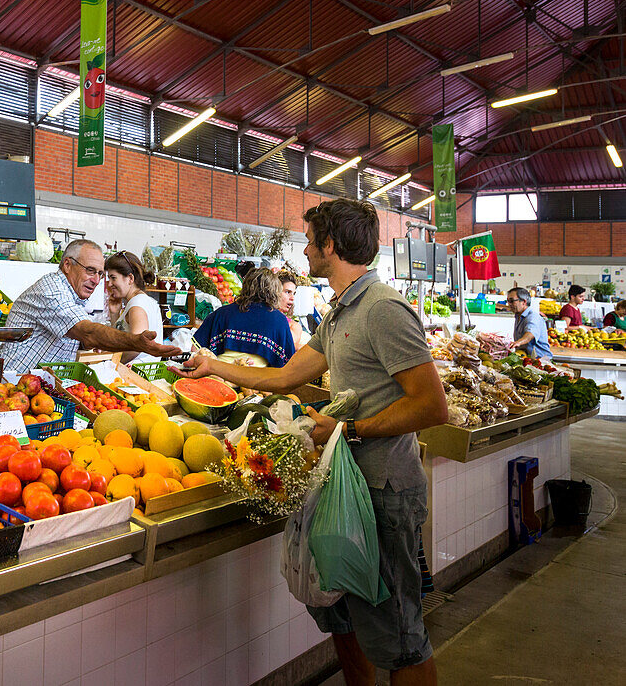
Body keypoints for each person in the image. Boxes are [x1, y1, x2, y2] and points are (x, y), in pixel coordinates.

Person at [178, 198, 447, 686]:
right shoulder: (341, 311)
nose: (302, 252)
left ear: (330, 245)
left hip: (383, 492)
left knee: (399, 636)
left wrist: (348, 428)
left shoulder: (383, 308)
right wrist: (212, 365)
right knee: (342, 617)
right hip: (342, 486)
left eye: (309, 241)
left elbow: (432, 406)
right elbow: (285, 378)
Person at [0, 239, 178, 373]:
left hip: (34, 386)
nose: (97, 281)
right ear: (67, 265)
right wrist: (136, 343)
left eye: (101, 274)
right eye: (90, 270)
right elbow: (89, 333)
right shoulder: (52, 290)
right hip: (13, 383)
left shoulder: (74, 297)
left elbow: (85, 339)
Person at [193, 268, 296, 368]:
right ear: (274, 291)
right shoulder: (280, 321)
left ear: (246, 286)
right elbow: (287, 364)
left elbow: (195, 349)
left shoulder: (222, 313)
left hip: (218, 378)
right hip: (255, 382)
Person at [105, 251, 164, 364]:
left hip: (135, 373)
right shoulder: (142, 300)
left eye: (113, 278)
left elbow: (138, 346)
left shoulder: (137, 305)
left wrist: (112, 363)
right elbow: (119, 339)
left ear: (130, 278)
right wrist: (114, 313)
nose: (110, 284)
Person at [507, 288, 553, 359]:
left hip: (541, 361)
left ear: (524, 302)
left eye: (511, 301)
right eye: (508, 301)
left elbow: (530, 334)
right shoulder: (518, 315)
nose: (509, 304)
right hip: (527, 359)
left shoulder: (532, 316)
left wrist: (518, 342)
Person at [277, 269, 307, 350]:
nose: (292, 298)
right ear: (274, 291)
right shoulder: (262, 315)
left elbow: (289, 348)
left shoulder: (294, 327)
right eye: (287, 292)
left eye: (294, 293)